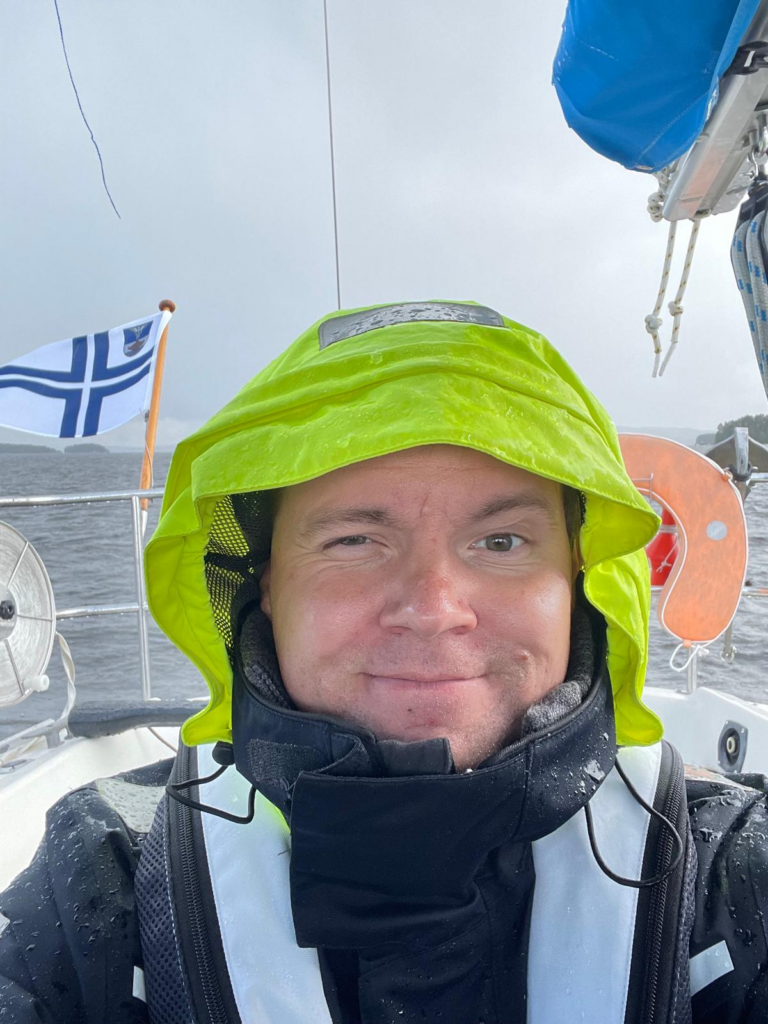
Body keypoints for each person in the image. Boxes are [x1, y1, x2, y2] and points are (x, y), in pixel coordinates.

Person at [1, 301, 766, 1024]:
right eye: (354, 541)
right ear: (266, 586)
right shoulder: (108, 876)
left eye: (501, 542)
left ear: (579, 584)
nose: (433, 608)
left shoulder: (723, 872)